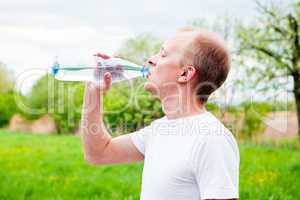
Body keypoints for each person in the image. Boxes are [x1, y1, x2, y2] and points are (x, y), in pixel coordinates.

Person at [80, 27, 239, 200]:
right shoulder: (159, 129)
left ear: (185, 73)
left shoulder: (211, 138)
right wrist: (93, 92)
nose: (150, 59)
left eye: (163, 54)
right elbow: (98, 153)